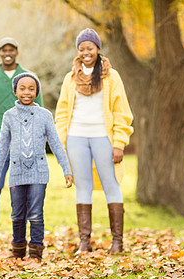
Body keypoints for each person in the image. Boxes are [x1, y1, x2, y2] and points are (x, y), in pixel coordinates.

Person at [54, 28, 134, 254]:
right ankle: (84, 242)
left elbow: (122, 112)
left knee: (111, 184)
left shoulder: (112, 76)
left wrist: (119, 142)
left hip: (103, 137)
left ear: (98, 49)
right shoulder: (70, 78)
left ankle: (117, 242)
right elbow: (61, 112)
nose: (85, 52)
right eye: (81, 48)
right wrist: (62, 138)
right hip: (76, 138)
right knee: (83, 187)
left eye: (90, 48)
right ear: (78, 51)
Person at [0, 73, 73, 262]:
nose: (27, 92)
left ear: (36, 91)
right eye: (22, 88)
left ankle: (36, 252)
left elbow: (55, 143)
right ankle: (18, 250)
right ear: (15, 91)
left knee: (36, 213)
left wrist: (66, 168)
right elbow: (2, 145)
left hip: (39, 173)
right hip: (16, 173)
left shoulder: (45, 115)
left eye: (31, 88)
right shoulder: (9, 116)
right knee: (17, 213)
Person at [0, 37, 43, 241]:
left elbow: (39, 113)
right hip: (0, 143)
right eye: (4, 49)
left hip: (26, 145)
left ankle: (21, 233)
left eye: (11, 49)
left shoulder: (29, 78)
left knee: (25, 189)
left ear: (17, 52)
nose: (8, 52)